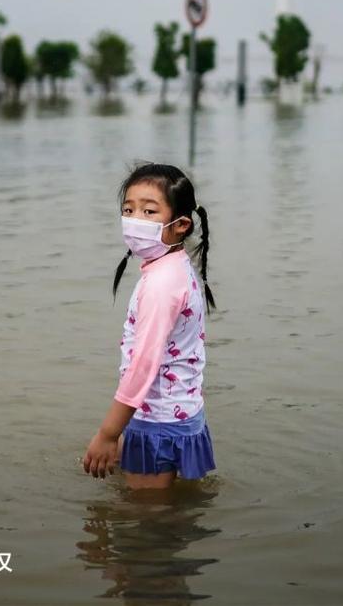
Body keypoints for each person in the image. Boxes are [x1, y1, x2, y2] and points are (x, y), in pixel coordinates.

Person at [83, 162, 217, 490]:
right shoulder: (174, 268)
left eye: (148, 211)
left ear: (181, 224)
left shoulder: (161, 285)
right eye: (128, 210)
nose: (134, 220)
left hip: (159, 422)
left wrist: (107, 434)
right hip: (179, 412)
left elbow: (143, 367)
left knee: (146, 526)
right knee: (159, 510)